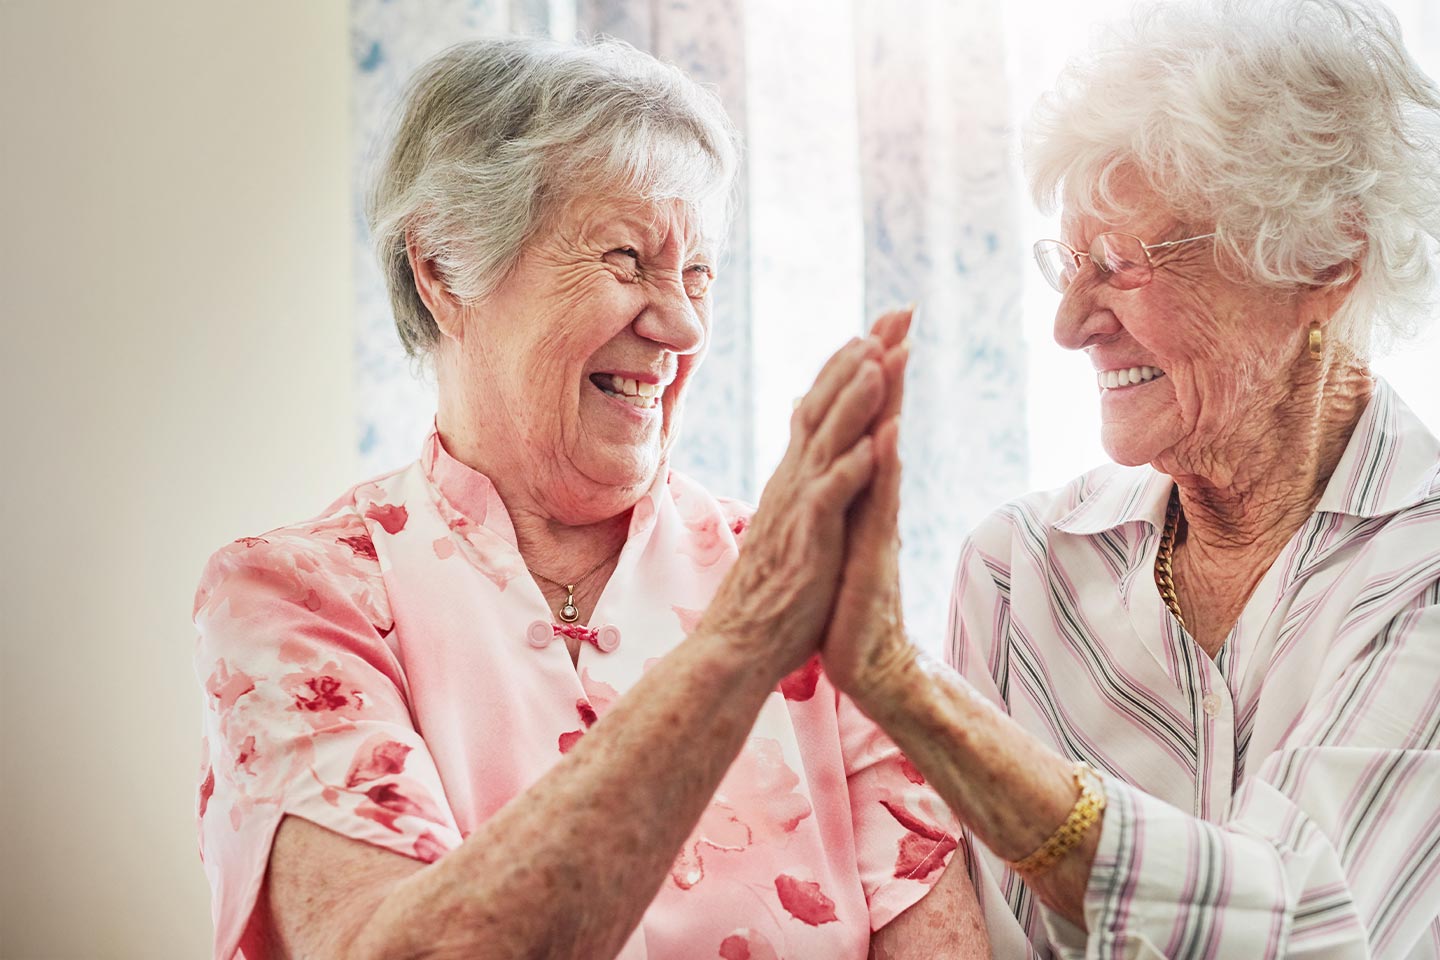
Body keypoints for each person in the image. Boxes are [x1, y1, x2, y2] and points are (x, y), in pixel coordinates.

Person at [192, 37, 987, 960]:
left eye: (698, 276)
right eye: (625, 259)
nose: (684, 325)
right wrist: (738, 647)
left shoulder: (808, 585)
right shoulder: (298, 597)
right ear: (444, 270)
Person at [816, 0, 1440, 956]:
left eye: (1120, 263)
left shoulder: (1422, 571)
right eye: (1070, 261)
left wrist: (904, 687)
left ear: (1323, 259)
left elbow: (1302, 926)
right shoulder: (1018, 569)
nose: (1071, 323)